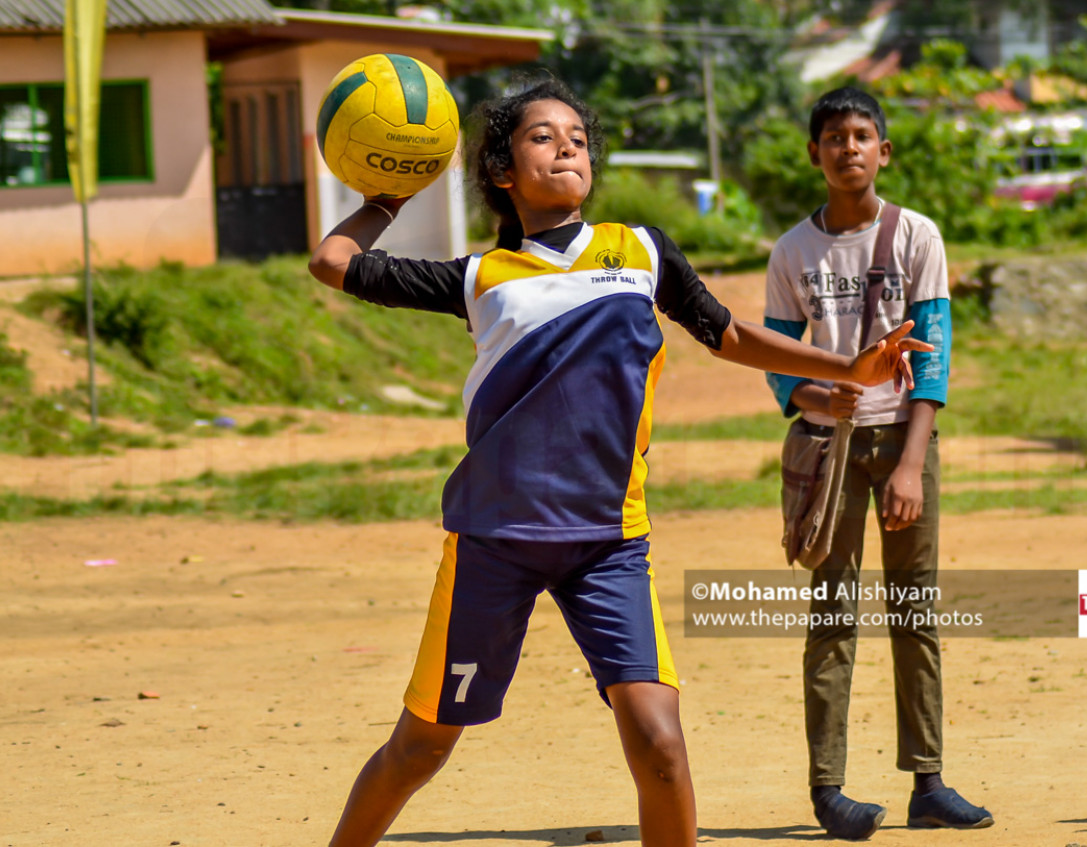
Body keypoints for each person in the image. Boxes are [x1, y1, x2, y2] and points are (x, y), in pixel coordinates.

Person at [308, 77, 931, 847]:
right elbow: (333, 263)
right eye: (542, 135)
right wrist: (389, 199)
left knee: (660, 744)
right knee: (421, 746)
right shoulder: (477, 278)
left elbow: (727, 334)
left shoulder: (640, 250)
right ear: (502, 170)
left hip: (608, 541)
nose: (567, 143)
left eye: (577, 134)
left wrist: (850, 369)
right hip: (495, 541)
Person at [763, 86, 993, 840]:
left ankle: (928, 779)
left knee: (915, 612)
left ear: (883, 151)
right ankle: (828, 789)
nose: (849, 147)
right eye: (834, 135)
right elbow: (774, 362)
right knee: (831, 615)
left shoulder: (917, 236)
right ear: (814, 153)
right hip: (828, 449)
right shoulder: (792, 251)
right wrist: (816, 398)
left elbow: (935, 359)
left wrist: (909, 464)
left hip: (902, 446)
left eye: (862, 134)